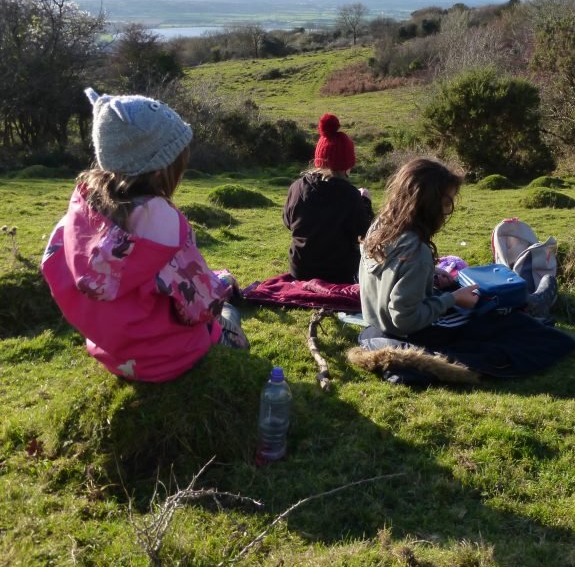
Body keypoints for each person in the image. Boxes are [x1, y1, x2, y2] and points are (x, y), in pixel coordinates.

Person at [41, 88, 249, 383]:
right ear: (160, 168)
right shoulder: (161, 222)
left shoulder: (83, 208)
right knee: (229, 317)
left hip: (114, 354)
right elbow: (202, 305)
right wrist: (221, 290)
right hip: (170, 357)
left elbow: (54, 264)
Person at [359, 157, 575, 377]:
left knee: (473, 297)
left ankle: (527, 303)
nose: (446, 213)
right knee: (500, 318)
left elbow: (392, 276)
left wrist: (431, 272)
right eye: (447, 204)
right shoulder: (416, 252)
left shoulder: (379, 228)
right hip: (413, 332)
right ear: (430, 205)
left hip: (378, 321)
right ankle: (529, 305)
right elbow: (405, 319)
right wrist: (453, 299)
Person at [283, 113, 373, 284]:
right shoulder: (350, 194)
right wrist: (365, 203)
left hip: (299, 270)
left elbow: (288, 223)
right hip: (339, 274)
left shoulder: (296, 188)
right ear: (347, 164)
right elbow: (364, 233)